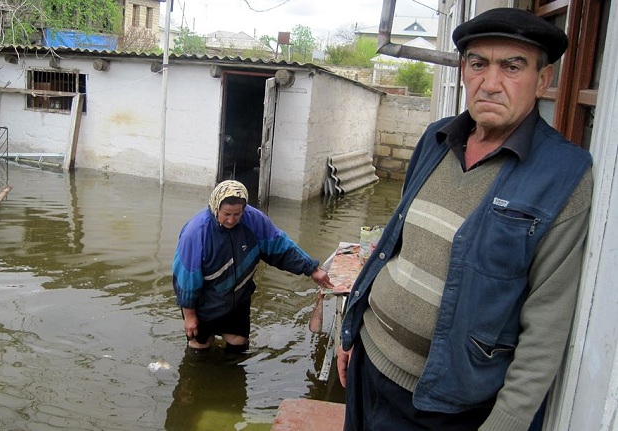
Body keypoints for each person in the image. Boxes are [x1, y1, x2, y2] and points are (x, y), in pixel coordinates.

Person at [336, 8, 593, 431]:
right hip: (369, 361)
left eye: (512, 67)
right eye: (479, 64)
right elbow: (396, 245)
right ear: (463, 70)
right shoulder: (436, 139)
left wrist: (506, 422)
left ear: (543, 80)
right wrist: (351, 329)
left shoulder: (563, 176)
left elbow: (547, 325)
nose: (490, 83)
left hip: (443, 408)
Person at [173, 180, 333, 352]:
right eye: (226, 214)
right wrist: (189, 316)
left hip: (238, 298)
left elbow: (280, 246)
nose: (231, 220)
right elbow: (186, 278)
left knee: (239, 344)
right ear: (215, 207)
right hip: (206, 302)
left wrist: (311, 269)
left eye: (237, 214)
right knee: (201, 346)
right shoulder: (196, 233)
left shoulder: (254, 220)